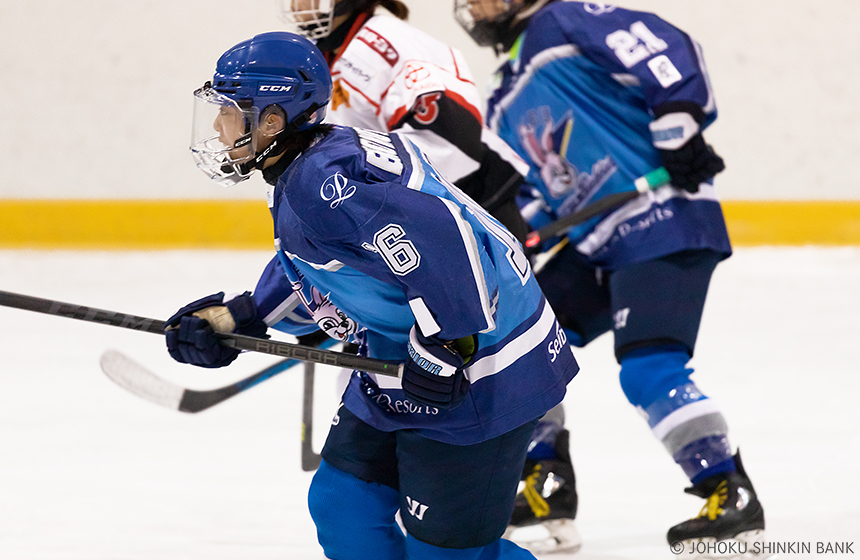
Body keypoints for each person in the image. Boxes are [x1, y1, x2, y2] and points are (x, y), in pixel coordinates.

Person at [167, 31, 579, 560]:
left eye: (230, 111)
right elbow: (328, 266)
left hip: (488, 366)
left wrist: (449, 345)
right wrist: (243, 314)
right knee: (344, 507)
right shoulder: (313, 162)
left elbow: (446, 239)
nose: (220, 127)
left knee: (448, 557)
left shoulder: (319, 182)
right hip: (401, 356)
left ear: (272, 120)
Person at [455, 0, 766, 555]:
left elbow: (661, 48)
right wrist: (527, 228)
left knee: (649, 366)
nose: (474, 4)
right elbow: (539, 191)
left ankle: (727, 488)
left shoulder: (566, 20)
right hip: (597, 242)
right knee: (518, 344)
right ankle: (545, 483)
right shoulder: (502, 99)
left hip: (662, 218)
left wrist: (678, 126)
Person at [280, 0, 580, 552]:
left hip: (454, 233)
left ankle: (538, 471)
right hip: (405, 240)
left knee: (481, 367)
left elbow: (454, 152)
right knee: (409, 393)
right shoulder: (333, 55)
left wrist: (439, 258)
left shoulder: (383, 47)